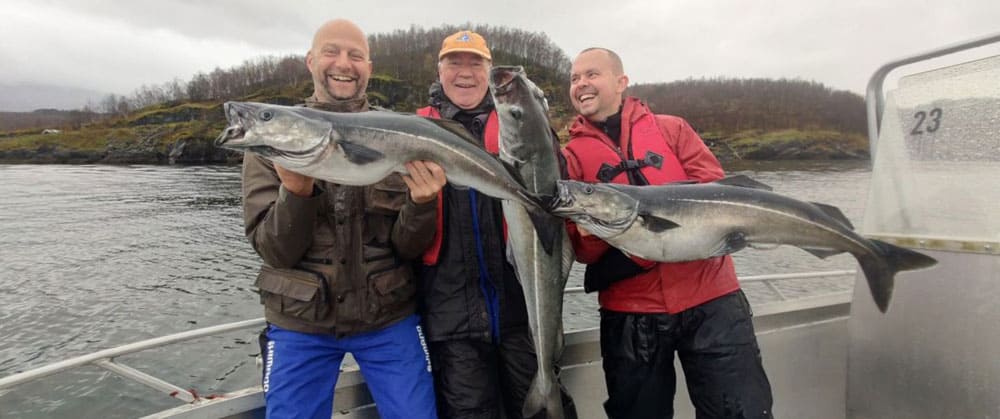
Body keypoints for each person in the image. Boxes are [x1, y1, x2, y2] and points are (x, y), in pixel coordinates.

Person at [241, 19, 446, 419]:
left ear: (369, 66)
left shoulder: (399, 135)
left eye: (355, 55)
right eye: (332, 52)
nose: (344, 64)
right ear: (310, 60)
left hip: (388, 317)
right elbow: (273, 251)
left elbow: (408, 248)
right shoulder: (269, 140)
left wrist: (423, 204)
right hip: (300, 321)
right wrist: (296, 194)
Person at [562, 47, 774, 419]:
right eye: (574, 78)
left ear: (621, 81)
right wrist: (604, 229)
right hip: (630, 314)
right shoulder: (570, 158)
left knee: (742, 411)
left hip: (713, 302)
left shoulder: (672, 129)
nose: (581, 84)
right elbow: (582, 250)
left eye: (591, 74)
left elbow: (719, 191)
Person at [414, 30, 576, 419]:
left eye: (476, 64)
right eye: (455, 63)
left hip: (521, 311)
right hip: (454, 320)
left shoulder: (519, 123)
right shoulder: (418, 132)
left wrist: (538, 123)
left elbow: (557, 195)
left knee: (544, 411)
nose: (465, 73)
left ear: (488, 71)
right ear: (439, 71)